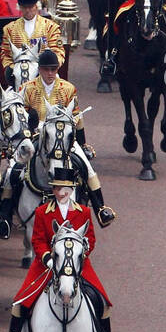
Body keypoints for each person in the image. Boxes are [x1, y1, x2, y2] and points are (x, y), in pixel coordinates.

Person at [0, 168, 114, 332]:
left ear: (72, 190)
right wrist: (48, 259)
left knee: (101, 298)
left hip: (77, 265)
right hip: (46, 265)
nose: (62, 193)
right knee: (22, 300)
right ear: (53, 190)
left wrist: (79, 256)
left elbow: (90, 239)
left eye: (66, 189)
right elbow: (37, 240)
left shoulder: (83, 212)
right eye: (58, 188)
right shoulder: (42, 211)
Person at [16, 50, 117, 227]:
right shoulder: (28, 89)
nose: (50, 73)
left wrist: (82, 143)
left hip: (63, 136)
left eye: (53, 69)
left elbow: (77, 118)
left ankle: (101, 209)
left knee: (87, 168)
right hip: (37, 134)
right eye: (46, 69)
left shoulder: (68, 88)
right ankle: (5, 213)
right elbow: (22, 115)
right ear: (39, 69)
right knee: (14, 169)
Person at [0, 0, 65, 83]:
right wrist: (14, 68)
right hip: (19, 76)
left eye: (30, 7)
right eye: (24, 7)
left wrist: (47, 68)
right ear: (19, 7)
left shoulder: (51, 27)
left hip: (45, 76)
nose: (27, 10)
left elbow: (58, 52)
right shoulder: (9, 29)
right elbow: (6, 55)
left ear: (36, 6)